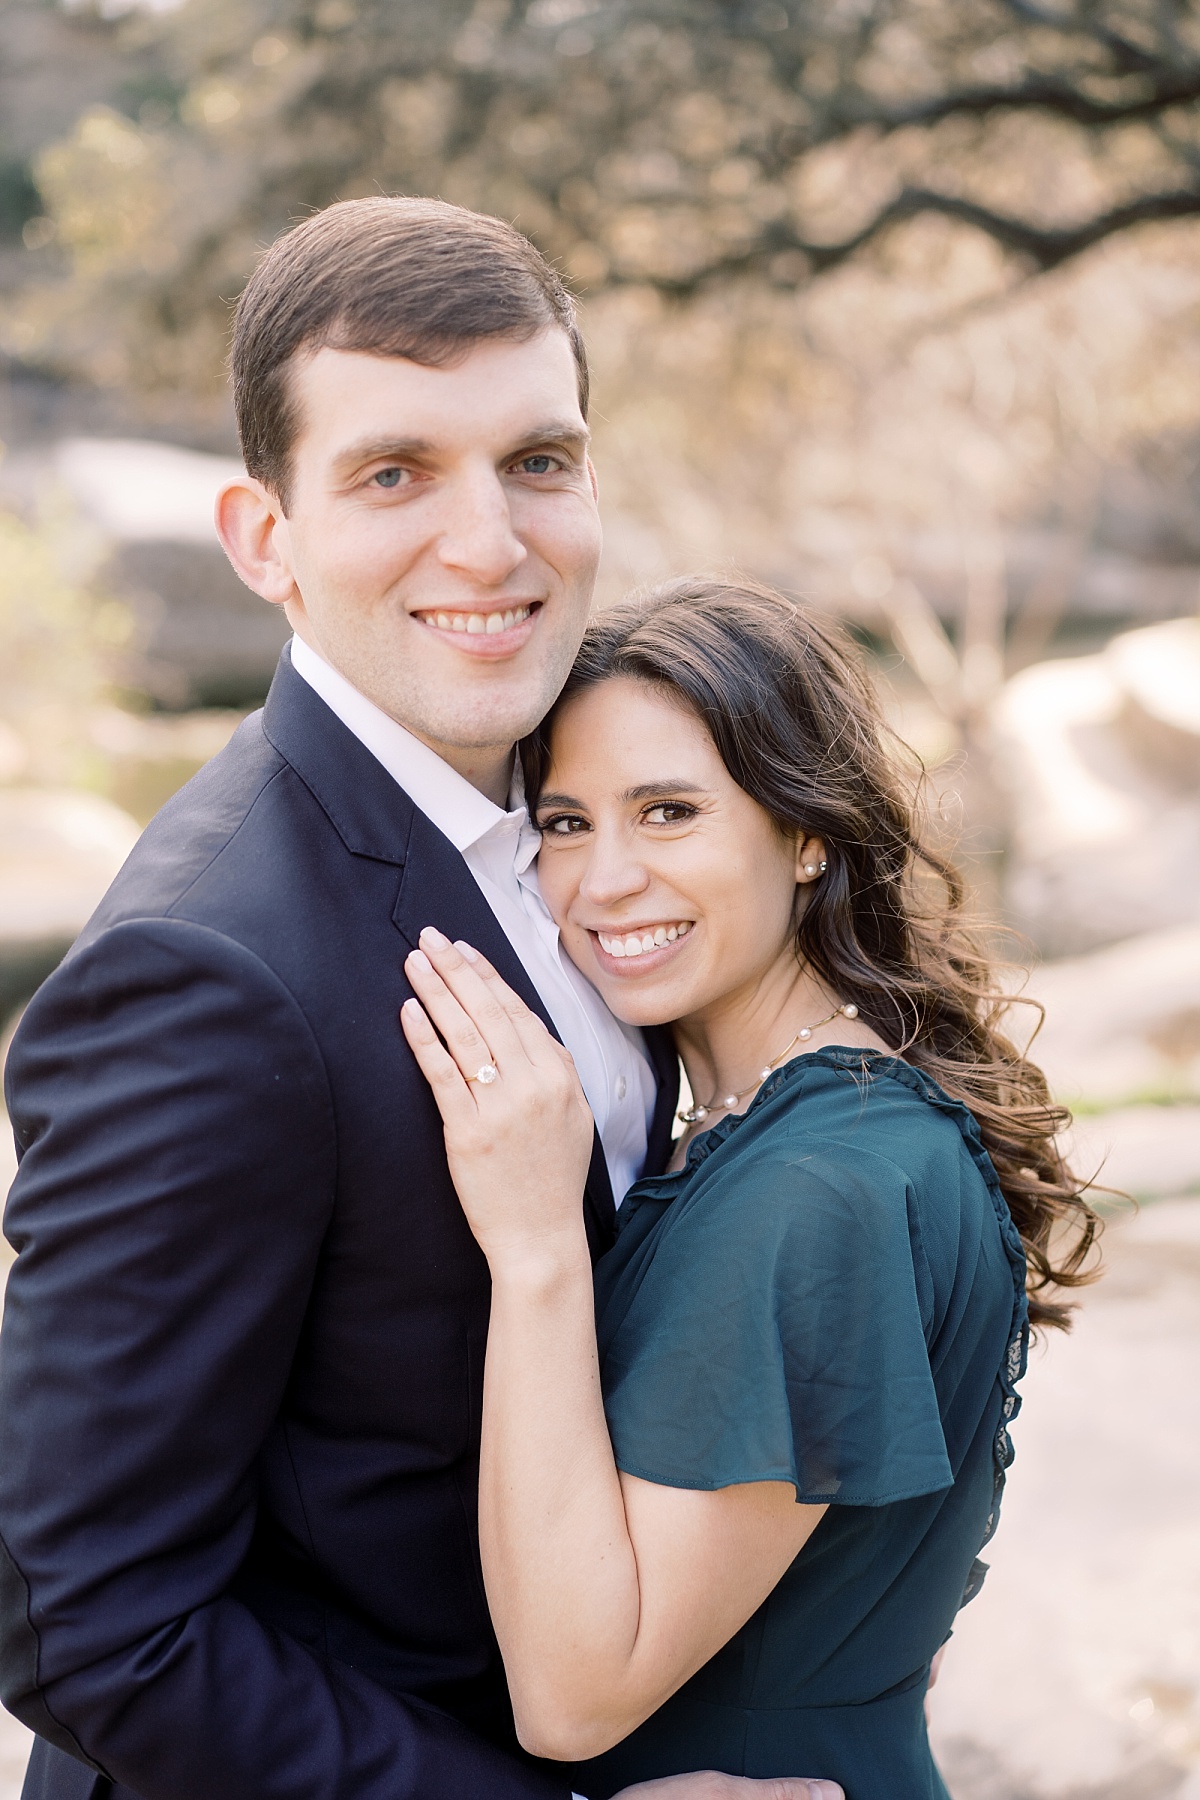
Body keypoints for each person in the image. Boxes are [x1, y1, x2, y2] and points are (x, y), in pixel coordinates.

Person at [0, 202, 841, 1800]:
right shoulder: (202, 975)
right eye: (395, 475)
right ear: (266, 541)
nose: (492, 544)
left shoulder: (598, 822)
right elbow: (92, 1624)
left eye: (538, 460)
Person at [399, 579, 1102, 1799]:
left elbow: (574, 1697)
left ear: (807, 831)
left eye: (668, 812)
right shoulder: (800, 1123)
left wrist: (533, 1250)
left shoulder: (814, 1187)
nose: (602, 881)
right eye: (563, 824)